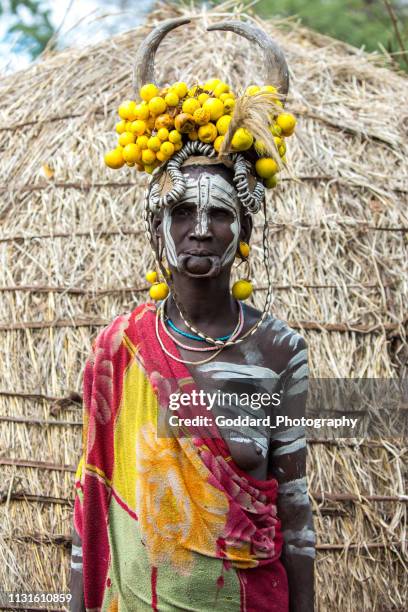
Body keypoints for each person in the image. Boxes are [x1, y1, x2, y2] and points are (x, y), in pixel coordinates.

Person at [70, 17, 315, 612]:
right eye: (180, 212)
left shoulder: (280, 351)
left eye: (221, 215)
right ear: (157, 227)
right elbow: (91, 511)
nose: (201, 229)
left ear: (246, 226)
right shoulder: (120, 349)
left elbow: (296, 511)